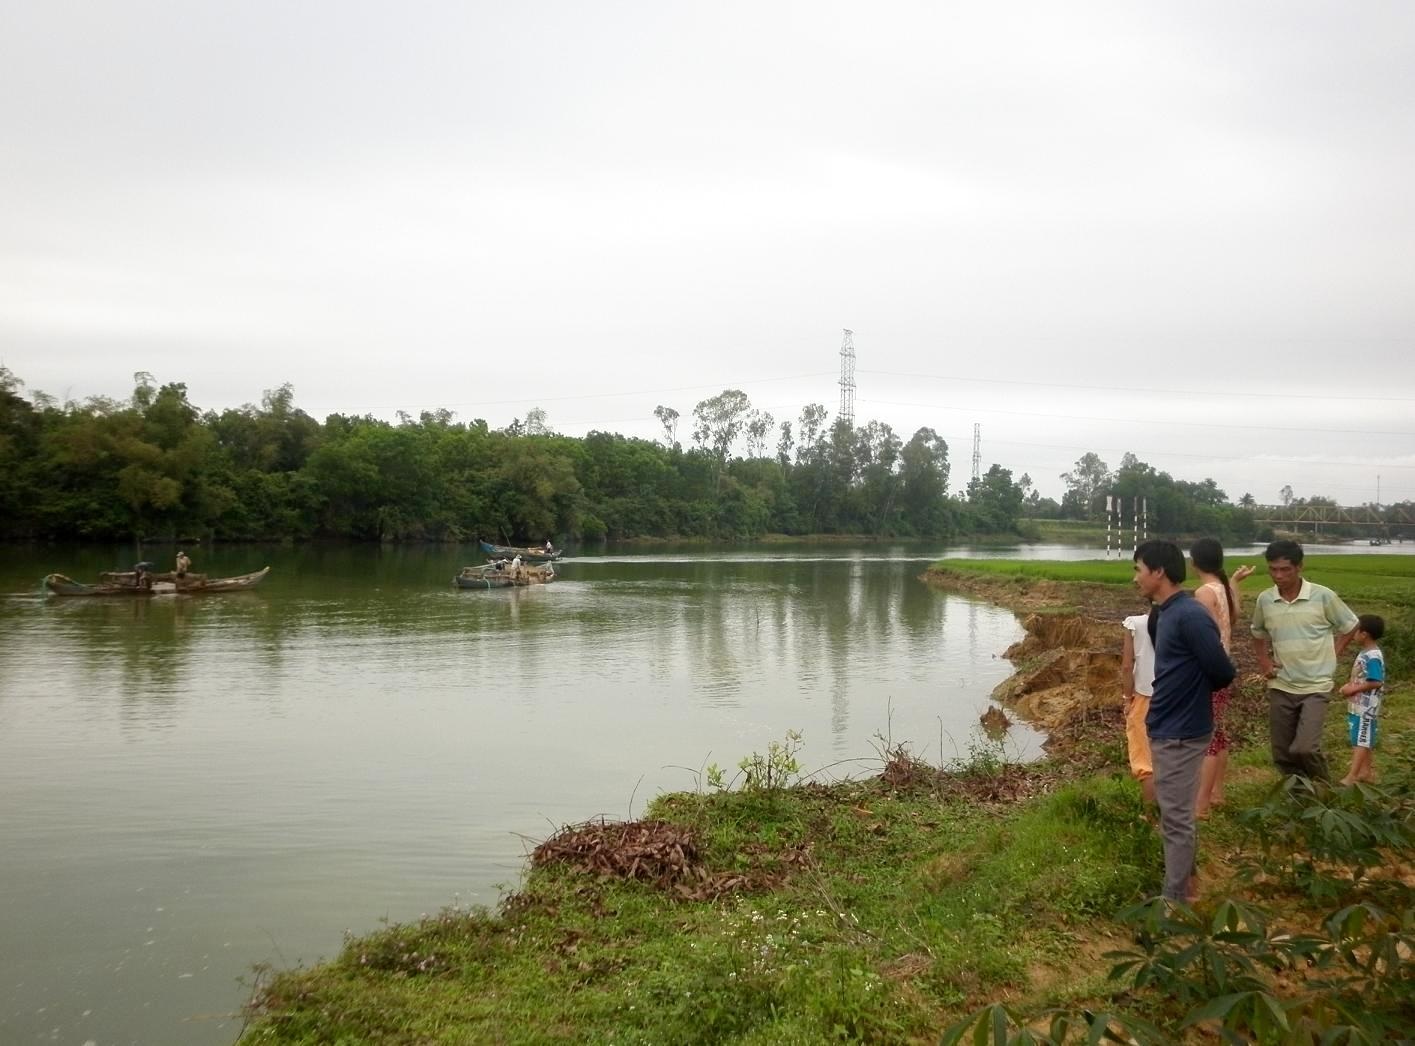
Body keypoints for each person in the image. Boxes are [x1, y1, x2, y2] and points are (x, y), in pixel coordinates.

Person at [1133, 539, 1235, 903]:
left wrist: (1188, 695)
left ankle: (1175, 901)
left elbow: (1222, 670)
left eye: (1139, 570)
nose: (1136, 578)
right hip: (1165, 725)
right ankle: (1187, 885)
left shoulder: (1190, 615)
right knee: (1174, 810)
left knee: (1175, 818)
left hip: (1182, 729)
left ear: (1158, 572)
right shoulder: (1164, 614)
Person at [1251, 539, 1358, 782]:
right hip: (1281, 685)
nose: (1278, 576)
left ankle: (1323, 789)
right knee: (1282, 751)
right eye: (1273, 569)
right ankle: (1299, 795)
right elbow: (1257, 634)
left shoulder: (1322, 596)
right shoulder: (1265, 600)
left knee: (1305, 747)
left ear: (1300, 567)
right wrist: (1265, 663)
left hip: (1316, 685)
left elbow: (1350, 625)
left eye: (1285, 569)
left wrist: (1336, 649)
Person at [1189, 539, 1255, 817]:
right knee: (1218, 734)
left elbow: (1204, 635)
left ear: (1194, 563)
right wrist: (1236, 584)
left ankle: (1201, 804)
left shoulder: (1204, 592)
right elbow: (1235, 618)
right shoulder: (1223, 589)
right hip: (1224, 666)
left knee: (1207, 739)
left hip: (1209, 671)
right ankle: (1217, 793)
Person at [1339, 615, 1386, 786]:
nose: (1352, 634)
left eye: (1355, 631)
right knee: (1361, 737)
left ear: (1364, 634)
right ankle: (1365, 772)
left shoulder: (1372, 656)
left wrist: (1352, 688)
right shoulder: (1366, 653)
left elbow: (1376, 680)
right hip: (1358, 705)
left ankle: (1352, 776)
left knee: (1360, 739)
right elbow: (1364, 677)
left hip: (1366, 707)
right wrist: (1350, 685)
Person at [1120, 605, 1158, 806]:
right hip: (1174, 696)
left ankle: (1152, 815)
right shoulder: (1178, 622)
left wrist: (1127, 698)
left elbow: (1127, 666)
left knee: (1145, 761)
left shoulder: (1135, 623)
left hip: (1145, 696)